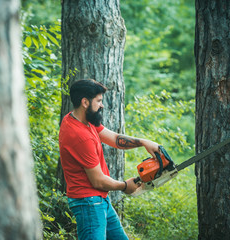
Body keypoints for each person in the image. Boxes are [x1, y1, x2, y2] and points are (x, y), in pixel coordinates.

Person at [59, 79, 160, 240]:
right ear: (85, 102)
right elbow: (98, 181)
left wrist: (143, 142)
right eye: (98, 101)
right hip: (89, 203)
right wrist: (125, 186)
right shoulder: (80, 136)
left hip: (99, 200)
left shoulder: (81, 120)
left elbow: (114, 139)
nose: (102, 105)